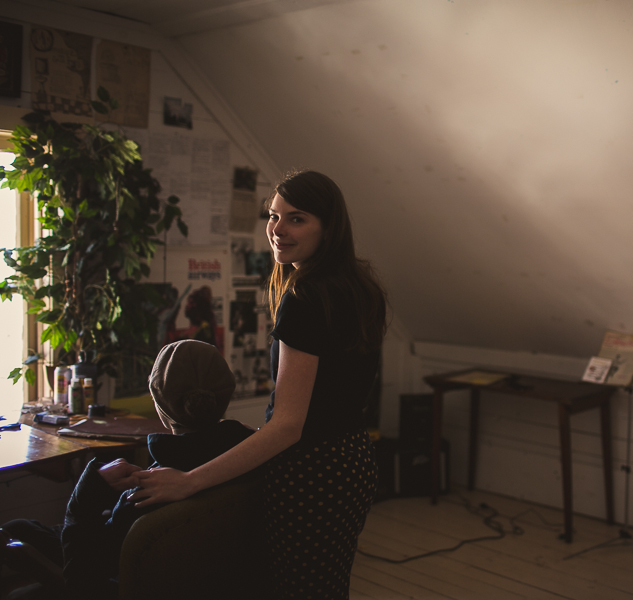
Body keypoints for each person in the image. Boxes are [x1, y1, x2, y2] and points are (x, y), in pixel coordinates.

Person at [132, 170, 386, 599]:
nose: (278, 229)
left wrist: (191, 480)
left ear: (328, 227)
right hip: (353, 461)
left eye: (296, 218)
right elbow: (331, 402)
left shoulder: (305, 299)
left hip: (311, 474)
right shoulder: (361, 288)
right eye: (273, 215)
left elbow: (289, 426)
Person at [0, 339, 254, 600]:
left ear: (161, 407)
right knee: (19, 527)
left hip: (119, 582)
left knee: (11, 533)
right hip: (205, 583)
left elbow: (82, 581)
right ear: (224, 397)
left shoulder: (151, 493)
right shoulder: (251, 458)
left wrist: (85, 497)